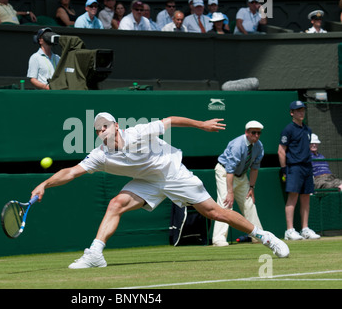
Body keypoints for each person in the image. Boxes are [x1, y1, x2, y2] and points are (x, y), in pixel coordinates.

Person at [31, 112, 289, 269]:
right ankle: (95, 253)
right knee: (115, 204)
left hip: (171, 172)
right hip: (147, 181)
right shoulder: (100, 155)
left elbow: (172, 120)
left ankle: (265, 237)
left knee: (214, 212)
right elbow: (72, 172)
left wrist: (201, 125)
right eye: (98, 128)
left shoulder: (138, 133)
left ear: (116, 126)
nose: (101, 131)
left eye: (105, 126)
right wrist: (45, 184)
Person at [213, 121, 265, 246]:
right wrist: (230, 192)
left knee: (249, 203)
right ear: (247, 133)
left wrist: (251, 187)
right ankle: (218, 239)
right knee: (226, 203)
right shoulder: (237, 145)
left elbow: (254, 168)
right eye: (253, 132)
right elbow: (230, 170)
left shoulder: (259, 146)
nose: (256, 136)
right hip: (225, 172)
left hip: (241, 175)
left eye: (259, 133)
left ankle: (258, 236)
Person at [278, 100, 320, 240]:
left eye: (302, 110)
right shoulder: (288, 129)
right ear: (292, 113)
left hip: (307, 167)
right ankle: (289, 230)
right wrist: (284, 170)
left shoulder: (308, 130)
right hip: (294, 167)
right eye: (298, 110)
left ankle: (305, 229)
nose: (301, 112)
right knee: (293, 197)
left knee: (306, 198)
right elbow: (281, 151)